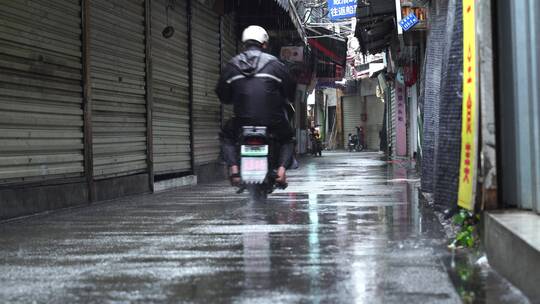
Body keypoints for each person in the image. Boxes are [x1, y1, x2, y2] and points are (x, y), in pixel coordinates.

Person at [216, 25, 296, 186]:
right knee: (288, 138)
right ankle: (281, 171)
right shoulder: (275, 64)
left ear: (244, 43)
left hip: (242, 121)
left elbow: (222, 94)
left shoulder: (232, 65)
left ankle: (234, 170)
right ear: (264, 44)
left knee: (227, 137)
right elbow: (290, 89)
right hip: (273, 120)